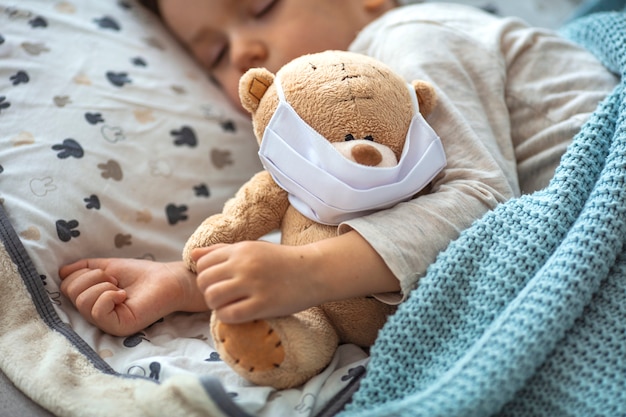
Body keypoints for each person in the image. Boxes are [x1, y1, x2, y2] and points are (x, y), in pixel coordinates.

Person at [59, 0, 618, 338]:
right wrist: (188, 284)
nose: (242, 50)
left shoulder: (411, 38)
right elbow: (321, 243)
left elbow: (480, 202)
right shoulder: (332, 140)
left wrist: (308, 273)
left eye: (259, 7)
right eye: (213, 55)